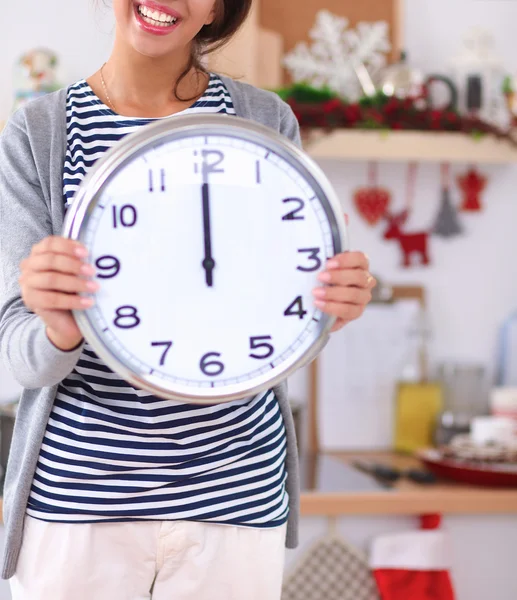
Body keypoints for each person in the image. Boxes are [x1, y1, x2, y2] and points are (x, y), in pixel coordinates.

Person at [0, 1, 376, 598]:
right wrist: (57, 325)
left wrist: (333, 305)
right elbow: (21, 355)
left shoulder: (264, 120)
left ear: (219, 8)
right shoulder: (40, 132)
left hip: (236, 504)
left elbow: (282, 316)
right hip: (81, 506)